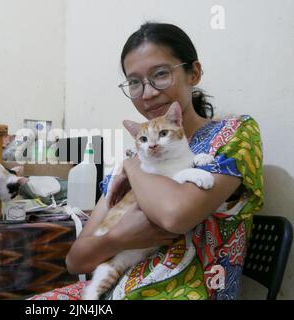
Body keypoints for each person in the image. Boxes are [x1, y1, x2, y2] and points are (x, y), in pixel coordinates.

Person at [30, 22, 263, 300]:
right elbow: (76, 260)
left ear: (194, 73)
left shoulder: (232, 135)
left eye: (161, 74)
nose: (148, 92)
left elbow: (174, 215)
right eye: (134, 82)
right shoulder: (136, 153)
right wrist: (119, 238)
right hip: (114, 290)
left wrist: (131, 166)